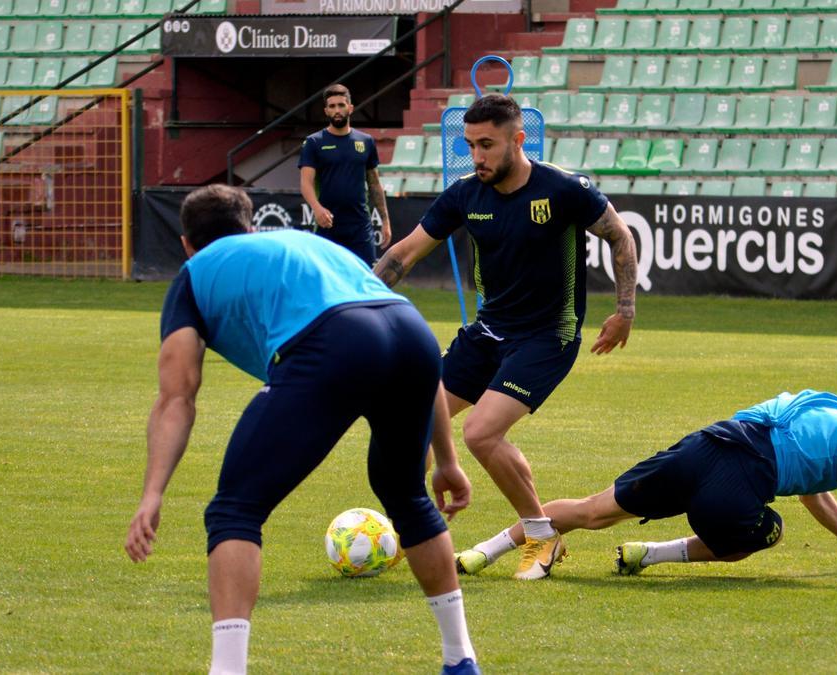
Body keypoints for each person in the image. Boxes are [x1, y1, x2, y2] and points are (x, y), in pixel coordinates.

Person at [124, 185, 482, 675]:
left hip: (334, 342)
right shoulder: (313, 246)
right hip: (411, 331)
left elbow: (176, 397)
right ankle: (460, 659)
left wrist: (152, 493)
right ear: (250, 228)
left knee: (235, 509)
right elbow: (399, 338)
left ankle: (227, 671)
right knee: (404, 493)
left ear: (187, 243)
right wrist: (446, 460)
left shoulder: (192, 276)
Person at [373, 94, 640, 580]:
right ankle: (413, 530)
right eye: (470, 145)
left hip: (547, 336)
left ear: (518, 140)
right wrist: (356, 302)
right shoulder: (464, 193)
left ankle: (540, 536)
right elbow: (404, 255)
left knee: (480, 432)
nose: (477, 156)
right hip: (487, 332)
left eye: (487, 145)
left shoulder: (562, 189)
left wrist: (625, 309)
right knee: (413, 415)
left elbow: (620, 235)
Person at [454, 379, 837, 590]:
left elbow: (814, 488)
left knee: (591, 510)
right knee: (765, 532)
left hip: (703, 446)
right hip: (738, 482)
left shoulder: (816, 401)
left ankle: (484, 550)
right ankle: (650, 554)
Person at [298, 83, 391, 266]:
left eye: (341, 105)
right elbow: (305, 183)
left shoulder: (366, 141)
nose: (337, 110)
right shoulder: (313, 143)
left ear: (350, 108)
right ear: (326, 111)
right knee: (328, 280)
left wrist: (385, 220)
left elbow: (374, 184)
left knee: (365, 279)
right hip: (328, 225)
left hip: (360, 226)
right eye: (332, 106)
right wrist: (317, 208)